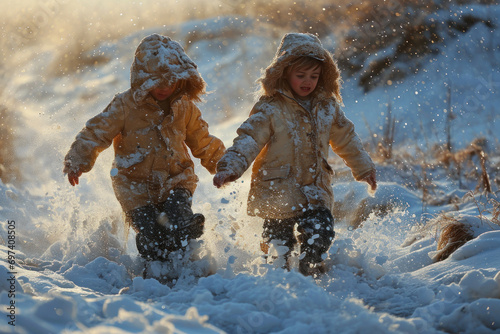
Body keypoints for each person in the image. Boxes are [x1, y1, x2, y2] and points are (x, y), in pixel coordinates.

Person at [213, 33, 376, 276]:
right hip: (278, 189)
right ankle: (278, 279)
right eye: (300, 75)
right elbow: (249, 138)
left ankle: (310, 270)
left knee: (321, 232)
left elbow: (346, 138)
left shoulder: (327, 106)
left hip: (315, 188)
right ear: (284, 72)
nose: (307, 81)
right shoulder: (270, 107)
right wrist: (231, 166)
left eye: (314, 76)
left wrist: (364, 168)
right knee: (278, 246)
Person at [64, 34, 225, 267]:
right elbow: (96, 132)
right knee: (153, 230)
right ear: (143, 78)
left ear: (181, 79)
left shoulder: (184, 108)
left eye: (171, 81)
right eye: (157, 82)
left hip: (176, 179)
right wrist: (77, 159)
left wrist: (223, 164)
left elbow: (202, 140)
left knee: (177, 215)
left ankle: (185, 240)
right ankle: (155, 262)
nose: (165, 88)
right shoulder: (124, 106)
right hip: (133, 186)